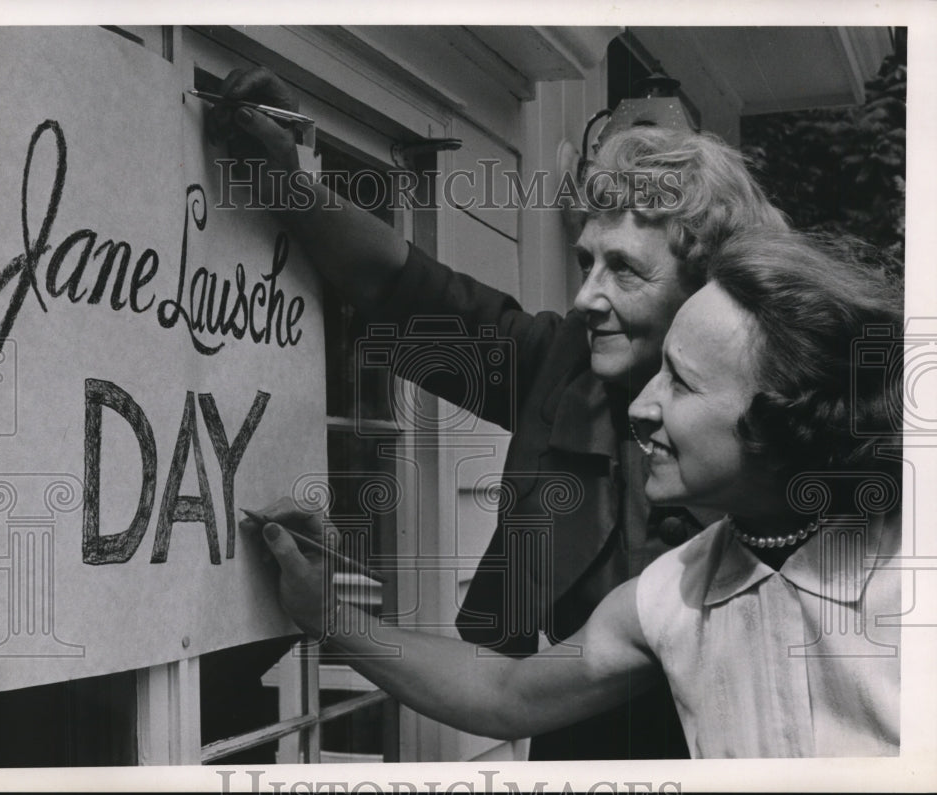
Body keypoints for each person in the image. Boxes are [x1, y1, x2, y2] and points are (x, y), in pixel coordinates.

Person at [211, 66, 787, 759]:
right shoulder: (564, 365)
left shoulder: (785, 437)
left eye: (625, 271)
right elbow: (404, 294)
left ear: (707, 291)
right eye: (586, 262)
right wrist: (290, 181)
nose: (585, 297)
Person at [258, 228, 903, 757]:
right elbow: (507, 692)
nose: (643, 407)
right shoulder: (673, 592)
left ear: (785, 414)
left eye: (679, 383)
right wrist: (330, 619)